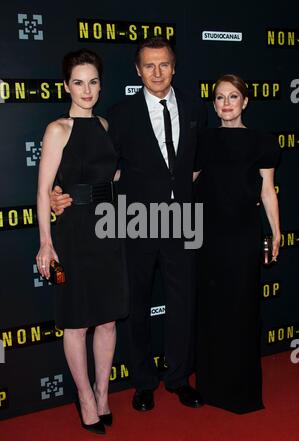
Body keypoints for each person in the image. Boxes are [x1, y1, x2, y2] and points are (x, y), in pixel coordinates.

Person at [51, 36, 207, 412]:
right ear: (138, 71)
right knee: (135, 304)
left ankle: (178, 378)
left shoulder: (194, 108)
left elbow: (198, 165)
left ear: (174, 66)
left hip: (182, 218)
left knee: (183, 303)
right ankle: (143, 382)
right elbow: (102, 169)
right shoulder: (119, 115)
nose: (157, 72)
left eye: (164, 64)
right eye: (149, 65)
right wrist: (63, 193)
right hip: (134, 220)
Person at [36, 49, 128, 434]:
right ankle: (85, 398)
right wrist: (46, 243)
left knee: (107, 321)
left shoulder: (106, 126)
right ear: (66, 86)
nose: (86, 89)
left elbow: (117, 175)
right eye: (78, 82)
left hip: (109, 229)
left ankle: (103, 393)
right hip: (71, 235)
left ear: (100, 85)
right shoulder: (58, 129)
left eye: (93, 82)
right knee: (75, 323)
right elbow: (43, 192)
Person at [195, 74, 281, 414]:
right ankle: (210, 386)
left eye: (233, 96)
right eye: (219, 97)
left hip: (243, 235)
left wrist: (276, 231)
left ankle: (242, 391)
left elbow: (267, 190)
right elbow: (186, 184)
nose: (226, 103)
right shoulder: (201, 140)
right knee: (211, 310)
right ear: (213, 104)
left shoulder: (261, 141)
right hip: (207, 236)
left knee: (243, 310)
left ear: (245, 102)